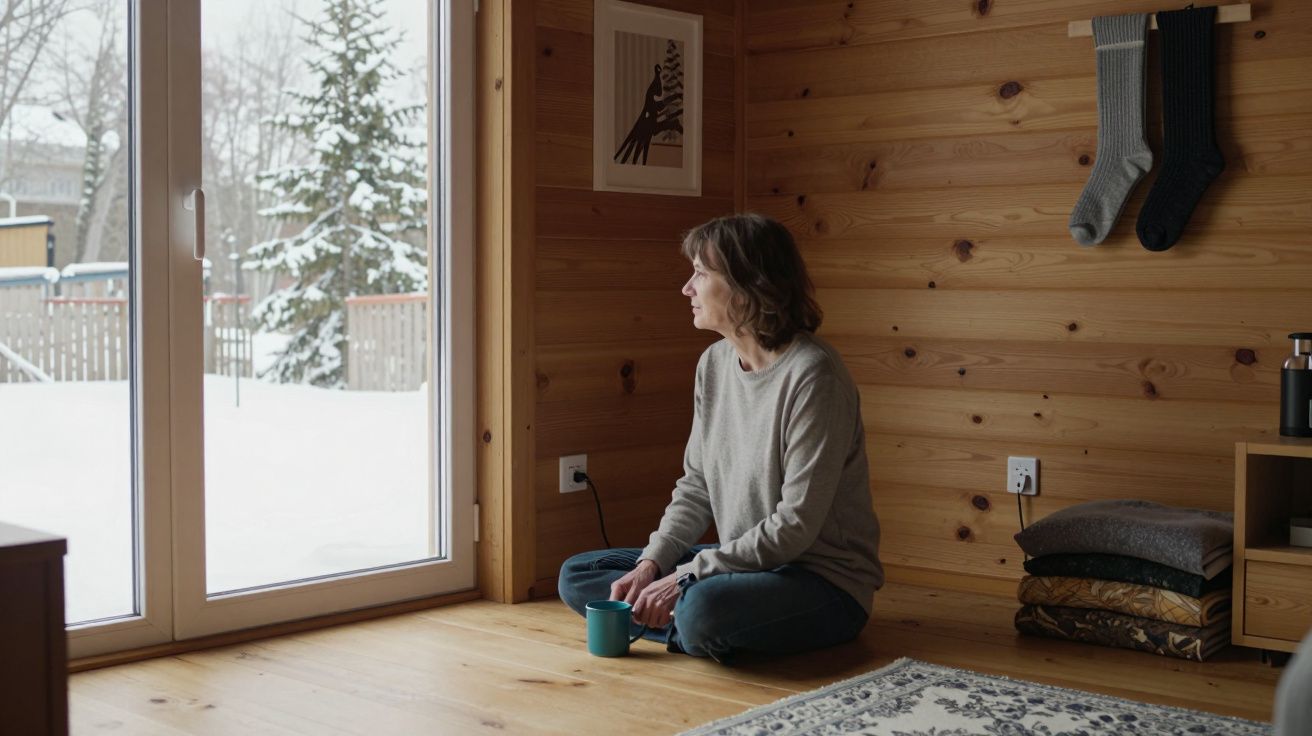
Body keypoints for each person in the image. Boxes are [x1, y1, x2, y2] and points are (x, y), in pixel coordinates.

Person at [557, 213, 883, 662]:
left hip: (818, 580)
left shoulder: (813, 377)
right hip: (741, 560)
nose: (687, 288)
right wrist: (653, 564)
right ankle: (692, 624)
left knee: (703, 611)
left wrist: (688, 577)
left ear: (749, 286)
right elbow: (696, 486)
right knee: (580, 574)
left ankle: (688, 624)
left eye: (701, 274)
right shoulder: (713, 364)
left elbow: (794, 528)